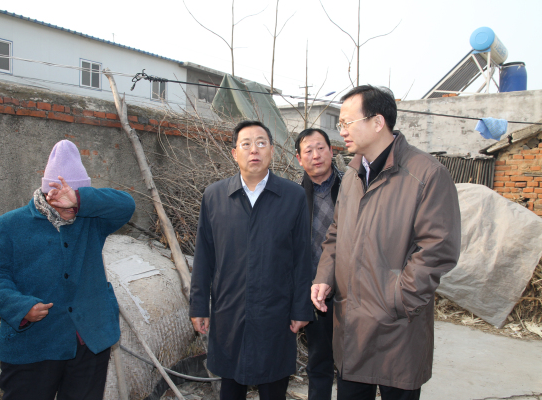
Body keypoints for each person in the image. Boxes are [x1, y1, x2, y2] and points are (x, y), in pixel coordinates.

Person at [311, 85, 461, 400]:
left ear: (378, 122)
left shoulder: (426, 174)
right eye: (340, 124)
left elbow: (437, 249)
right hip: (352, 328)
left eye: (347, 123)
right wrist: (324, 277)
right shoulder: (351, 176)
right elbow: (336, 232)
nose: (342, 131)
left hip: (398, 326)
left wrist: (397, 297)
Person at [0, 140, 136, 400]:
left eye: (74, 203)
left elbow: (126, 205)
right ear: (47, 194)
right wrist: (20, 307)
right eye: (64, 204)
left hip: (89, 339)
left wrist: (80, 199)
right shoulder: (11, 224)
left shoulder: (92, 220)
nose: (71, 211)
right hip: (34, 344)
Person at [189, 120, 313, 400]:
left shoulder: (293, 196)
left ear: (272, 150)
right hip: (229, 312)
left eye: (261, 143)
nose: (254, 150)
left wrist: (301, 309)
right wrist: (199, 306)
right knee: (231, 388)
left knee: (274, 388)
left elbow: (302, 258)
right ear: (235, 153)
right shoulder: (215, 196)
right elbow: (204, 257)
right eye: (246, 144)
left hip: (276, 314)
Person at [294, 128, 344, 400]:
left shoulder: (352, 187)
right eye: (308, 151)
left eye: (321, 148)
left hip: (352, 291)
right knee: (319, 360)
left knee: (353, 363)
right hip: (315, 293)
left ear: (331, 151)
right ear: (298, 158)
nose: (316, 155)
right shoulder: (293, 196)